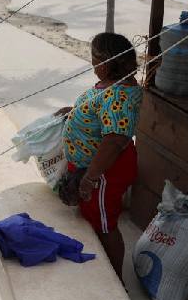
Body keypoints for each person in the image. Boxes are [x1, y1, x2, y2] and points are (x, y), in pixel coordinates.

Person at [57, 32, 141, 280]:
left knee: (105, 224)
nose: (92, 64)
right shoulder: (111, 86)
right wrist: (75, 112)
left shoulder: (119, 95)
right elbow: (100, 111)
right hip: (97, 167)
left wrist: (90, 178)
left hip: (106, 170)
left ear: (106, 63)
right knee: (93, 216)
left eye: (94, 59)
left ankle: (116, 280)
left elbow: (114, 141)